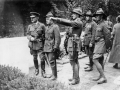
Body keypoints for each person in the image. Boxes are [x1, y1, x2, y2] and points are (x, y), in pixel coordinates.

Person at [50, 7, 83, 85]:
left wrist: (56, 19)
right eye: (73, 13)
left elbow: (68, 22)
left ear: (78, 15)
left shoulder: (78, 22)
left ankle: (76, 79)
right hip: (73, 42)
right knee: (75, 61)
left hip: (74, 42)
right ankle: (75, 77)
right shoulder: (76, 22)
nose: (73, 15)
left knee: (73, 61)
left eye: (74, 14)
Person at [92, 8, 109, 84]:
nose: (97, 17)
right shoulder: (98, 24)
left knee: (95, 59)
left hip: (101, 44)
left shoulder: (103, 25)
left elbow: (107, 36)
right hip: (97, 44)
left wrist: (108, 46)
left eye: (98, 15)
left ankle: (103, 77)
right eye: (96, 15)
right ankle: (100, 76)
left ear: (101, 16)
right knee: (100, 60)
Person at [27, 12, 46, 77]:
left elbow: (46, 34)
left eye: (33, 17)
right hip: (33, 45)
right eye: (31, 18)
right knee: (35, 58)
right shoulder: (29, 26)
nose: (31, 19)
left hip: (40, 44)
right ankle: (36, 69)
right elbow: (27, 34)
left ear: (37, 18)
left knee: (42, 58)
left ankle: (43, 72)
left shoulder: (42, 25)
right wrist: (30, 38)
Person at [44, 12, 61, 80]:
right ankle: (53, 73)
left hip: (52, 46)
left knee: (52, 61)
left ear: (51, 20)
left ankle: (55, 76)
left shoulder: (55, 27)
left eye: (48, 19)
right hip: (46, 46)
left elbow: (58, 38)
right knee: (49, 60)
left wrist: (56, 46)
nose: (46, 21)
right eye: (46, 19)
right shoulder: (47, 27)